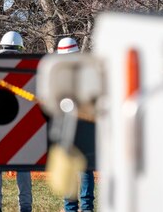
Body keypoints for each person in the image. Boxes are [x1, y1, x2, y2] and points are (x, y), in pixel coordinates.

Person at [0, 31, 32, 212]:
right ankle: (26, 206)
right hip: (19, 125)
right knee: (23, 166)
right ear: (20, 47)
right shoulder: (25, 67)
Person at [58, 37, 96, 212]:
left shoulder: (56, 72)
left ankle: (70, 207)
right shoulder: (87, 70)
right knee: (85, 167)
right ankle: (87, 207)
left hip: (64, 123)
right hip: (85, 121)